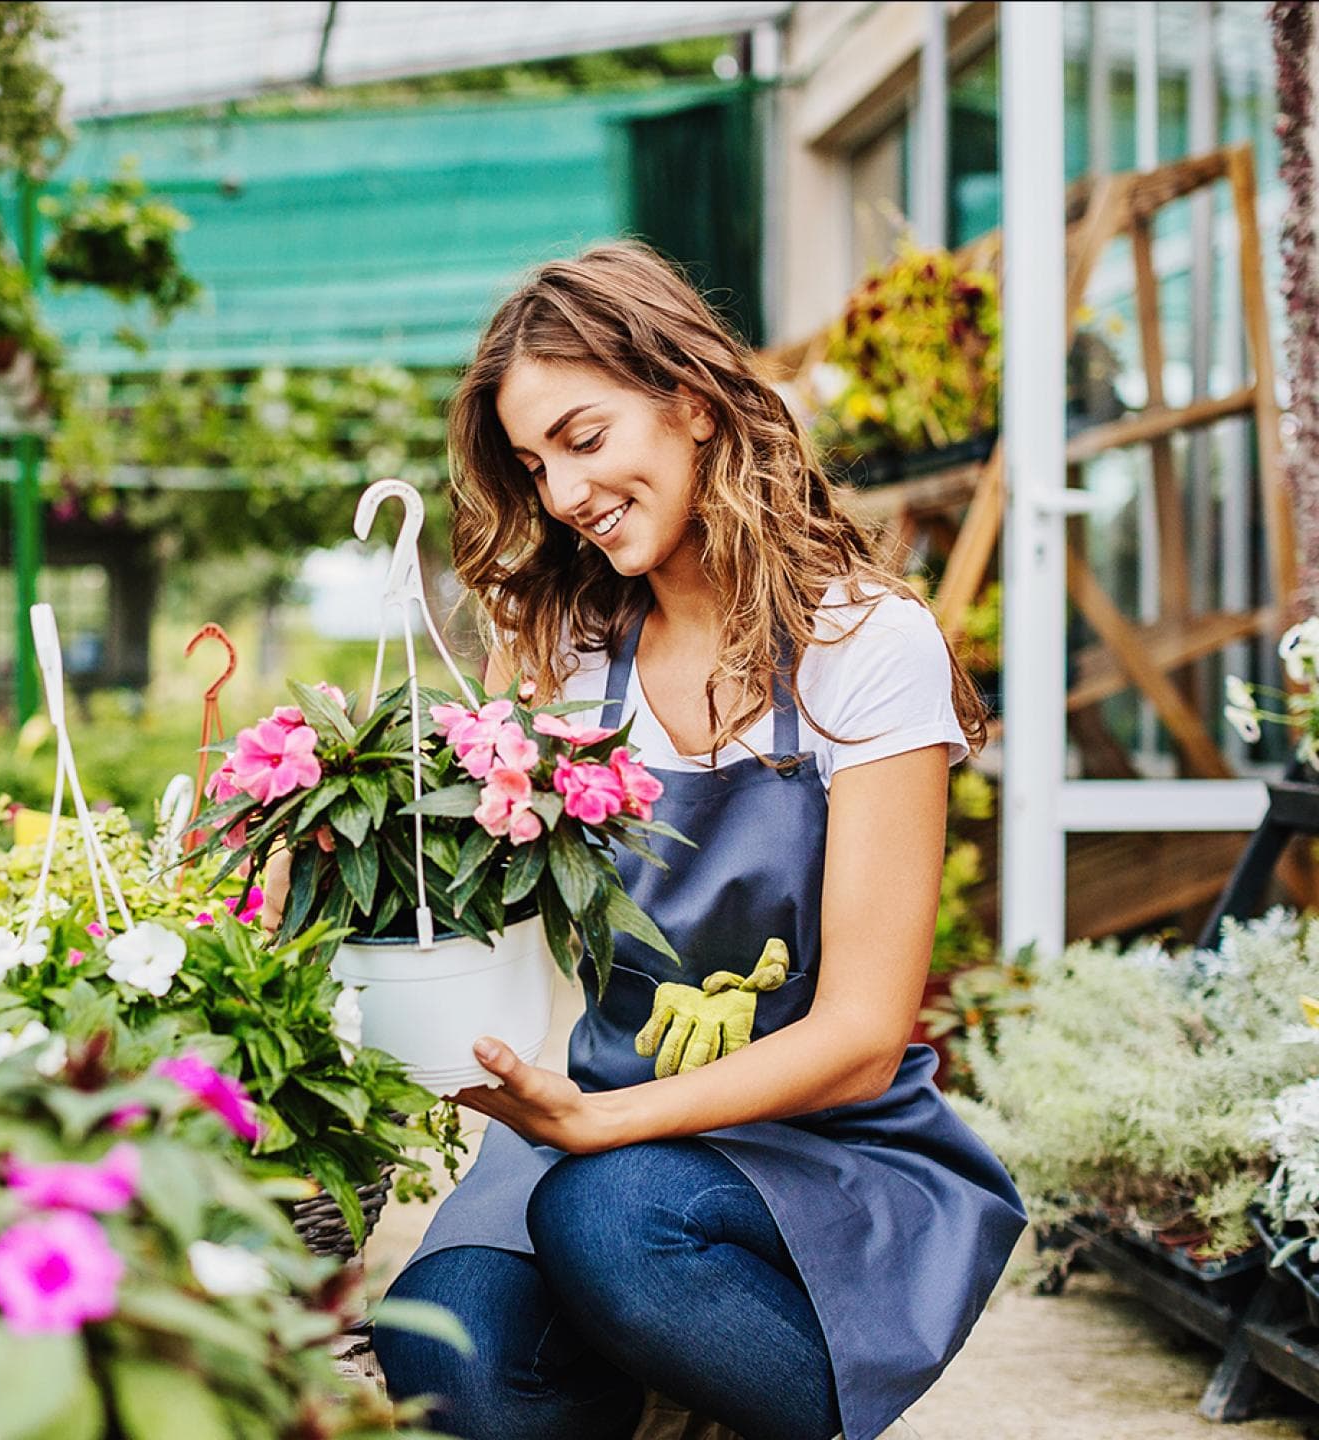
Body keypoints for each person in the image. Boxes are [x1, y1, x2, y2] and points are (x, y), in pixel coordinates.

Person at [332, 243, 1023, 1440]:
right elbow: (466, 901)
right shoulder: (576, 652)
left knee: (615, 1227)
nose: (561, 494)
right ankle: (669, 1396)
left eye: (584, 438)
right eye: (535, 463)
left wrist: (596, 1125)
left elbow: (862, 1041)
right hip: (604, 1126)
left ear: (692, 403)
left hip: (819, 1144)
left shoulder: (865, 645)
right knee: (439, 1349)